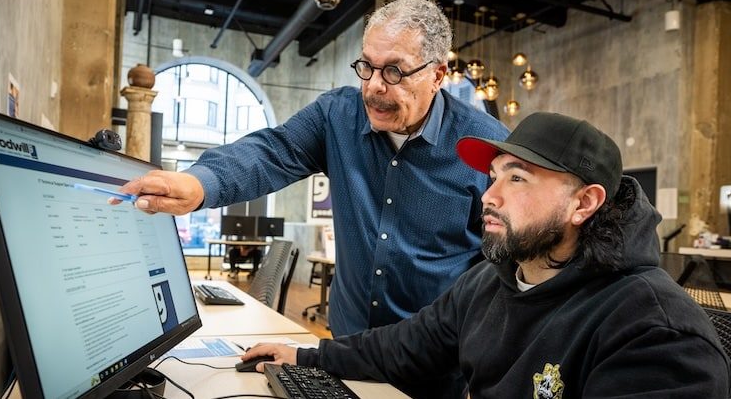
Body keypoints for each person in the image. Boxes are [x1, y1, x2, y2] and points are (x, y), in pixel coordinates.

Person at [240, 112, 731, 398]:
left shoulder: (655, 333)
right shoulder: (492, 281)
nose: (489, 196)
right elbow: (406, 346)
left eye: (517, 177)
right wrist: (308, 354)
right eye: (494, 175)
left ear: (584, 203)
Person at [116, 0, 508, 337]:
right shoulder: (337, 115)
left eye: (393, 71)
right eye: (367, 67)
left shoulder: (486, 147)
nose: (373, 86)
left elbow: (504, 266)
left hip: (433, 360)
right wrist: (201, 183)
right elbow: (272, 150)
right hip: (347, 341)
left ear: (437, 74)